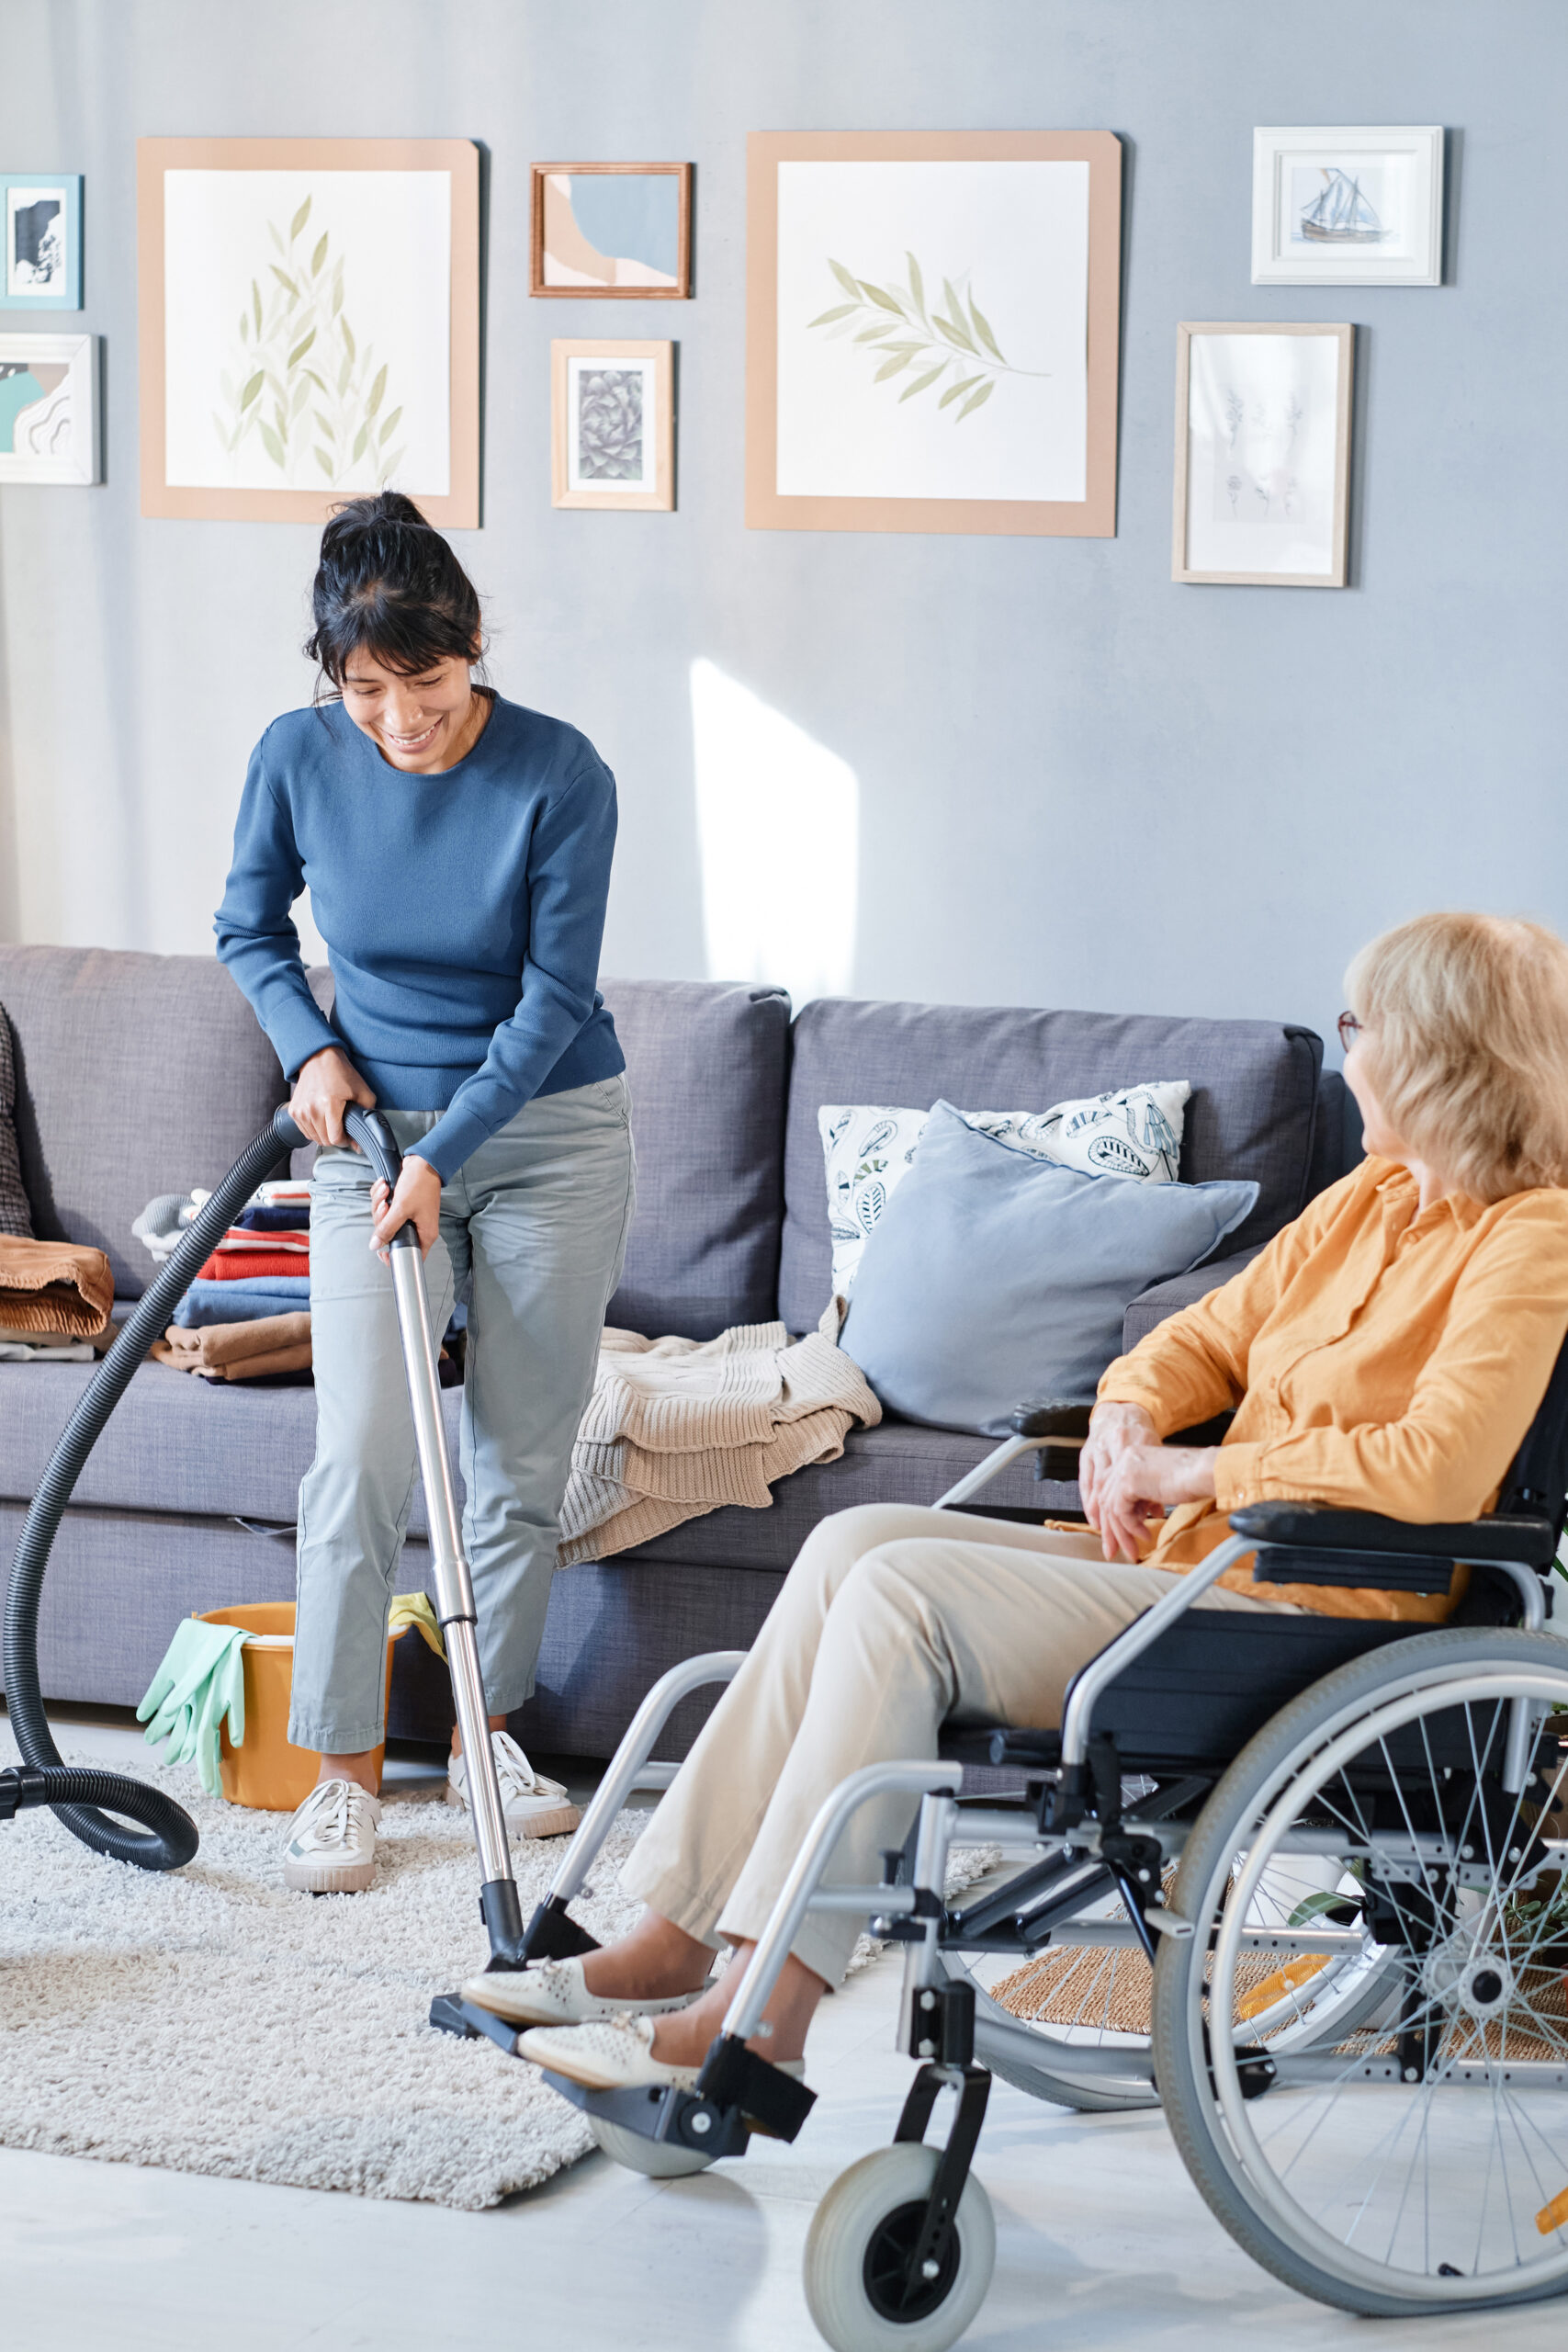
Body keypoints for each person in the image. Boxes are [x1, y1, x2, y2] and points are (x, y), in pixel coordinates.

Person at [467, 910, 1568, 2096]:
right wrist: (1130, 1417)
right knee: (851, 1543)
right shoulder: (1369, 1199)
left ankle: (760, 2012)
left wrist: (1196, 1474)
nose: (1350, 1053)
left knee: (901, 1593)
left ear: (1432, 1055)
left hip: (1309, 1620)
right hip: (1195, 1583)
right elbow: (1199, 1337)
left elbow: (1437, 1469)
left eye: (1363, 1027)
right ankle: (671, 1940)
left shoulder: (1534, 1237)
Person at [216, 492, 636, 1894]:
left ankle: (482, 1735)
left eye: (429, 684)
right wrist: (311, 1046)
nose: (402, 719)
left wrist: (447, 1153)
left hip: (549, 1134)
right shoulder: (297, 755)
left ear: (471, 649)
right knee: (359, 1460)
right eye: (369, 690)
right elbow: (247, 928)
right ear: (335, 679)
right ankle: (342, 1773)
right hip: (364, 1151)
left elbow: (556, 995)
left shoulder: (559, 773)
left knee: (519, 1460)